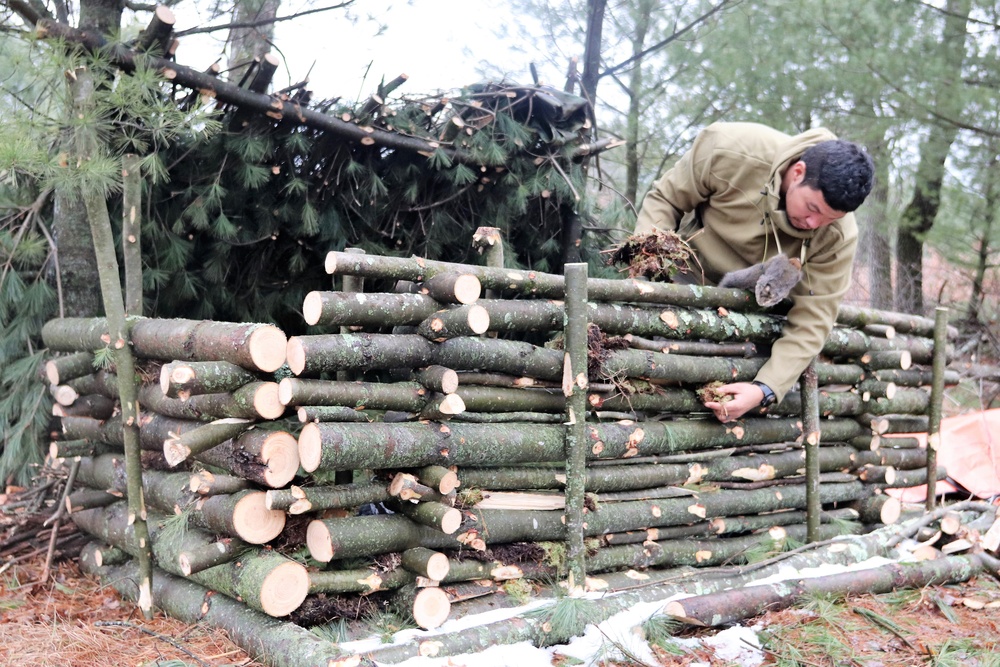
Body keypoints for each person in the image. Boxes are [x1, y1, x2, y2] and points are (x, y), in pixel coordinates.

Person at [634, 121, 875, 422]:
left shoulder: (838, 235)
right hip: (686, 279)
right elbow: (666, 199)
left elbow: (815, 318)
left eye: (828, 219)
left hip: (757, 315)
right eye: (812, 208)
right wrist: (651, 265)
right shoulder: (730, 147)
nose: (815, 224)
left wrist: (766, 388)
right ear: (797, 172)